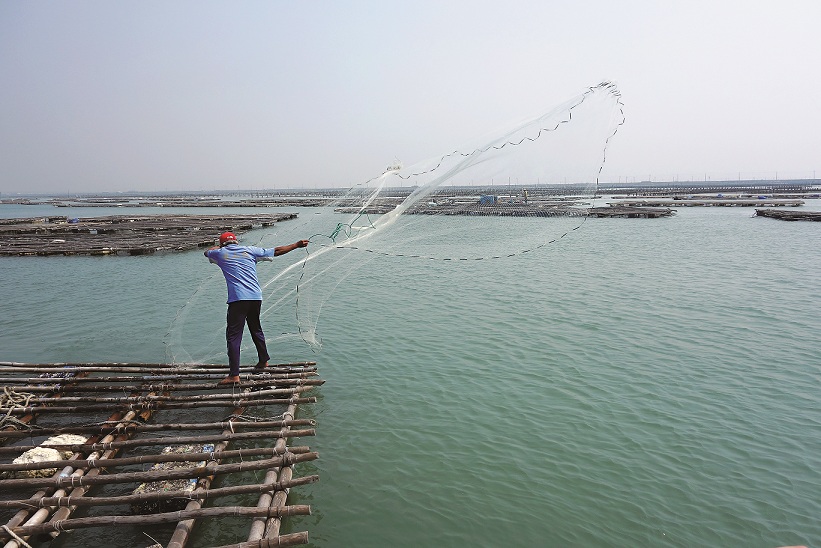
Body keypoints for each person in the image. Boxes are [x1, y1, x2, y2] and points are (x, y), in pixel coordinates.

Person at [205, 231, 309, 384]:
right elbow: (277, 251)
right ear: (236, 242)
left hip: (238, 300)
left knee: (233, 337)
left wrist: (218, 246)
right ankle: (263, 360)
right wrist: (296, 245)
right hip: (255, 297)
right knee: (256, 328)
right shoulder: (250, 250)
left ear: (222, 244)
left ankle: (234, 375)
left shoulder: (220, 254)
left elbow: (206, 253)